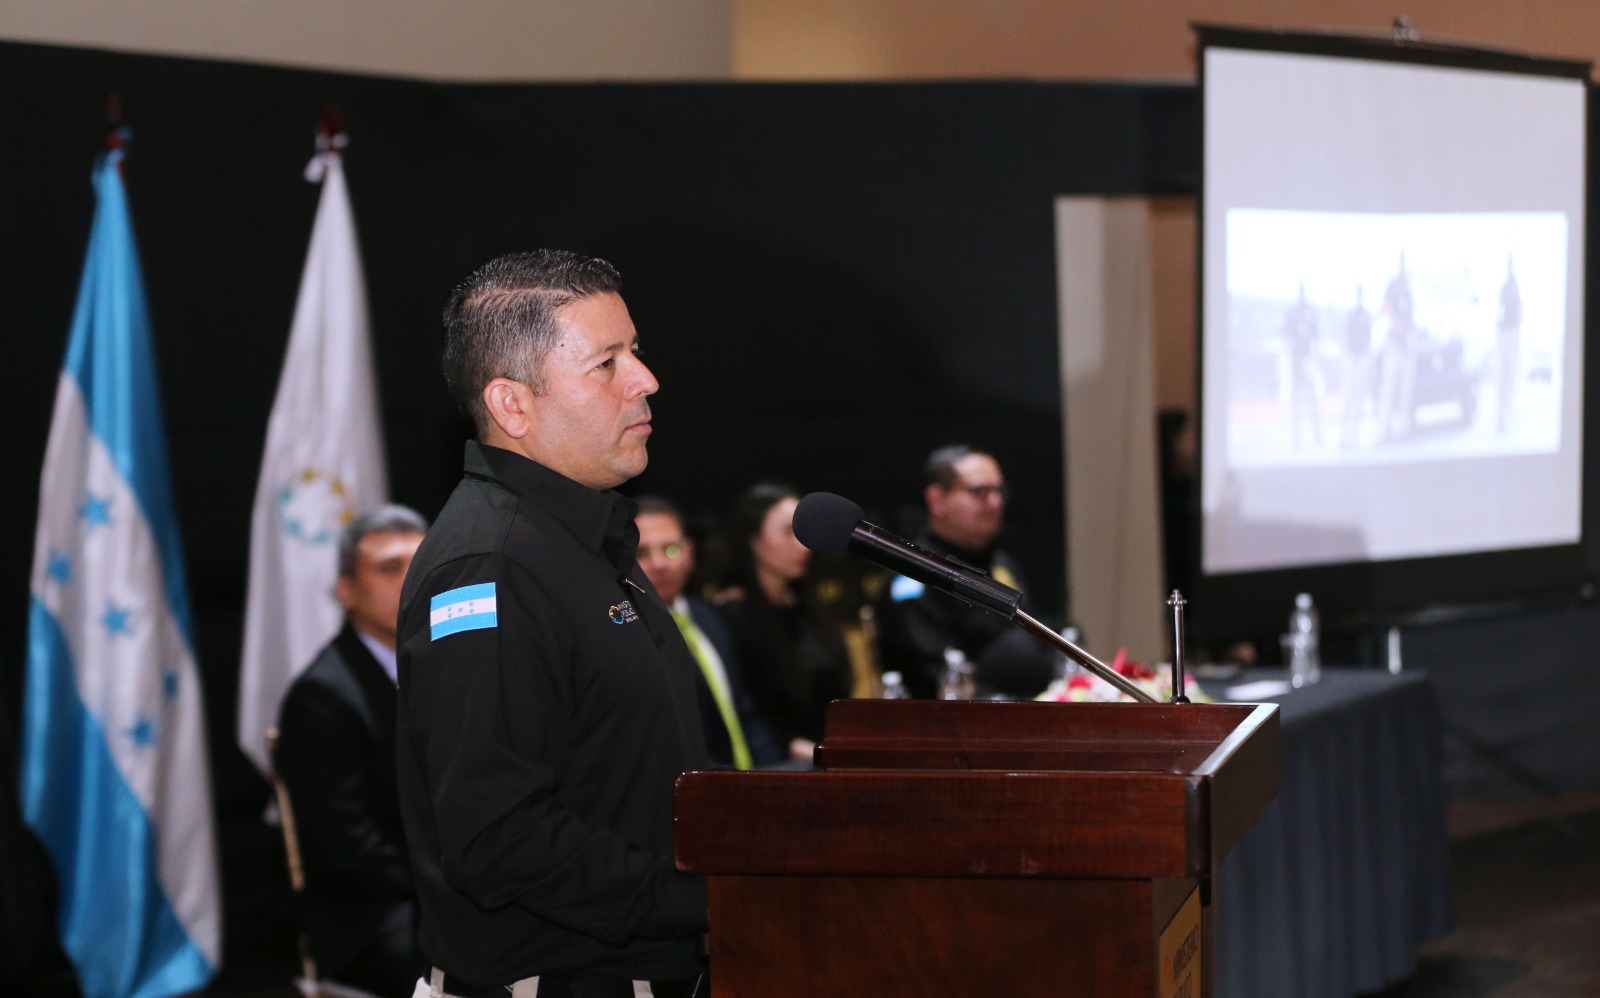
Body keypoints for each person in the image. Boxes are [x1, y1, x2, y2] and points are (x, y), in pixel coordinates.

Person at [396, 250, 709, 998]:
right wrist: (711, 901)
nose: (645, 379)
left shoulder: (581, 539)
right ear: (512, 405)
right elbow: (499, 837)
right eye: (607, 363)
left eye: (635, 351)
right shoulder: (491, 565)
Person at [275, 504, 429, 998]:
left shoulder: (458, 668)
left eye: (421, 564)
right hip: (374, 914)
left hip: (454, 889)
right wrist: (455, 880)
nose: (411, 580)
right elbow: (347, 849)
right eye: (389, 568)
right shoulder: (322, 696)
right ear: (346, 591)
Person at [874, 445, 1048, 699]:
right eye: (979, 491)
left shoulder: (999, 562)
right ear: (937, 500)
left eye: (999, 491)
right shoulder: (913, 577)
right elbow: (934, 678)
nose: (995, 503)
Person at [634, 496, 782, 770]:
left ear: (689, 554)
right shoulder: (628, 636)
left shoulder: (712, 617)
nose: (659, 563)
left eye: (670, 550)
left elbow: (744, 711)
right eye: (642, 553)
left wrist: (773, 776)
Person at [714, 483, 853, 763]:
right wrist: (807, 752)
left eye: (803, 533)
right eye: (789, 532)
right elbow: (744, 712)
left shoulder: (808, 608)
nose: (803, 545)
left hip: (828, 752)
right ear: (753, 539)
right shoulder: (731, 616)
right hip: (776, 763)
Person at [1283, 282, 1322, 450]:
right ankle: (1297, 437)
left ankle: (1317, 435)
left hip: (1308, 359)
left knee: (1312, 399)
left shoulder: (1310, 313)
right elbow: (1285, 336)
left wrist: (1316, 357)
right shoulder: (1292, 313)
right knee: (1297, 399)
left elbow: (1316, 336)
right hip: (1296, 361)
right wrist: (1290, 355)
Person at [1339, 284, 1373, 450]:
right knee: (1348, 399)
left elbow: (1369, 339)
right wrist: (1347, 356)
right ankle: (1343, 436)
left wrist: (1367, 358)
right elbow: (1345, 337)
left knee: (1359, 400)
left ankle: (1355, 436)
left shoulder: (1365, 316)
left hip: (1361, 360)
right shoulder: (1351, 316)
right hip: (1351, 360)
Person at [1497, 253, 1523, 433]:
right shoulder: (1505, 289)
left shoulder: (1515, 288)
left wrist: (1517, 335)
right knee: (1504, 377)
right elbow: (1499, 312)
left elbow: (1520, 312)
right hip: (1504, 335)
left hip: (1512, 335)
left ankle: (1507, 409)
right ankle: (1501, 417)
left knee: (1511, 376)